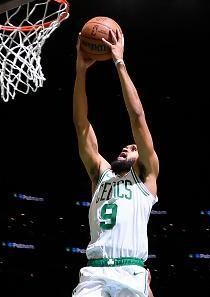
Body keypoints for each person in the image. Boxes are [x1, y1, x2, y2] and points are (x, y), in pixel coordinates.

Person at [72, 27, 159, 297]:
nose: (127, 146)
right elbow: (81, 125)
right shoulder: (100, 174)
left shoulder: (145, 176)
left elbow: (137, 117)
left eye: (133, 148)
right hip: (95, 273)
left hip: (131, 272)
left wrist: (119, 62)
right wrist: (81, 71)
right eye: (127, 146)